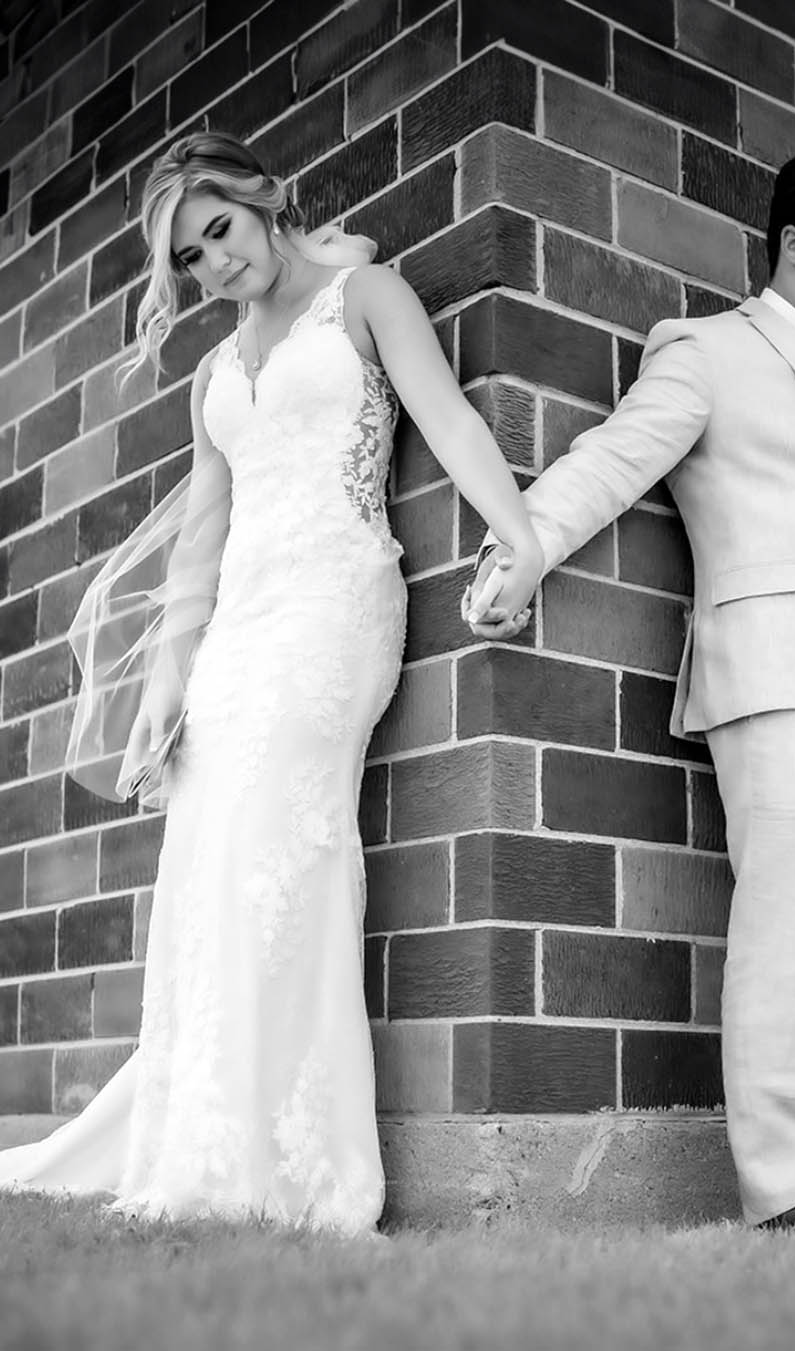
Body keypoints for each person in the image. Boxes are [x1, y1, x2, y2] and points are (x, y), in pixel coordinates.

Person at [0, 131, 541, 1234]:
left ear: (263, 203)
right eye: (190, 257)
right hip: (236, 638)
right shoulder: (213, 375)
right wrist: (163, 691)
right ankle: (208, 1138)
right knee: (208, 867)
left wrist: (520, 535)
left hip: (333, 611)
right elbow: (199, 552)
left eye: (220, 230)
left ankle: (294, 1165)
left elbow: (445, 417)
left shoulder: (368, 297)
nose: (213, 262)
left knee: (276, 854)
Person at [464, 150, 795, 1232]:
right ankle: (788, 1183)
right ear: (792, 243)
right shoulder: (707, 351)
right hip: (788, 680)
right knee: (789, 938)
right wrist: (518, 552)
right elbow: (614, 458)